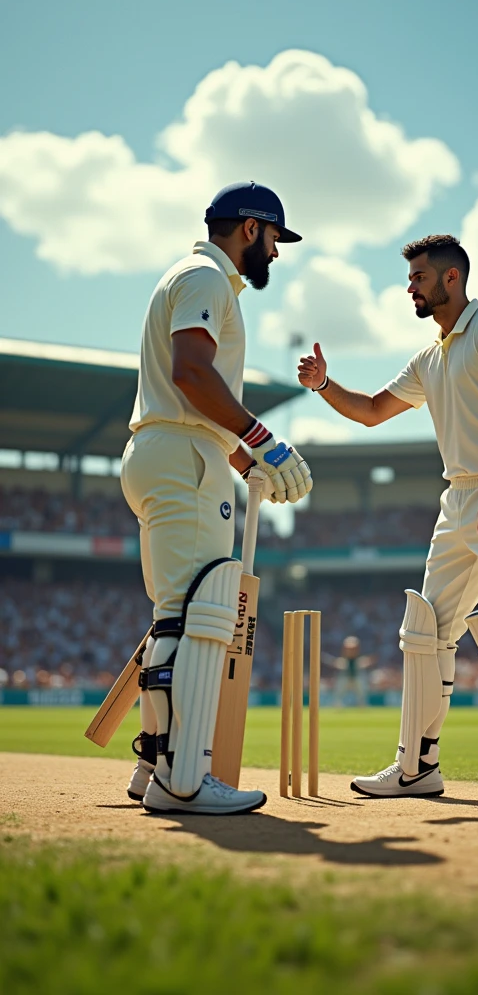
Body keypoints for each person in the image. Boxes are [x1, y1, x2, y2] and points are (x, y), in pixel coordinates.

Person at [297, 234, 478, 806]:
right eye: (411, 280)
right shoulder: (429, 358)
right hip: (457, 501)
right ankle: (415, 769)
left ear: (451, 279)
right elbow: (374, 411)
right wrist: (325, 385)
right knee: (426, 632)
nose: (410, 288)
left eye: (419, 278)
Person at [121, 181, 312, 815]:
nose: (276, 255)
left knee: (175, 612)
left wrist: (240, 455)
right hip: (181, 455)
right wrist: (263, 439)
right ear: (251, 229)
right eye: (275, 240)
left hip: (172, 449)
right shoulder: (206, 277)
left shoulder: (191, 275)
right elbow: (191, 374)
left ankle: (154, 767)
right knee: (201, 611)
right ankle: (184, 778)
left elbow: (188, 395)